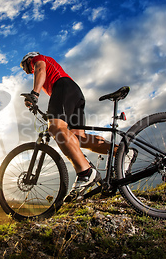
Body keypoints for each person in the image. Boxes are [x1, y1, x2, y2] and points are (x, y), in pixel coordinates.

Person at [20, 52, 114, 202]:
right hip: (74, 92)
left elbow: (40, 69)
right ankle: (122, 152)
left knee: (55, 128)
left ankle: (86, 173)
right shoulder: (50, 70)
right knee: (79, 139)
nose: (25, 70)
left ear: (28, 59)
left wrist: (34, 94)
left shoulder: (37, 59)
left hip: (63, 86)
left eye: (23, 66)